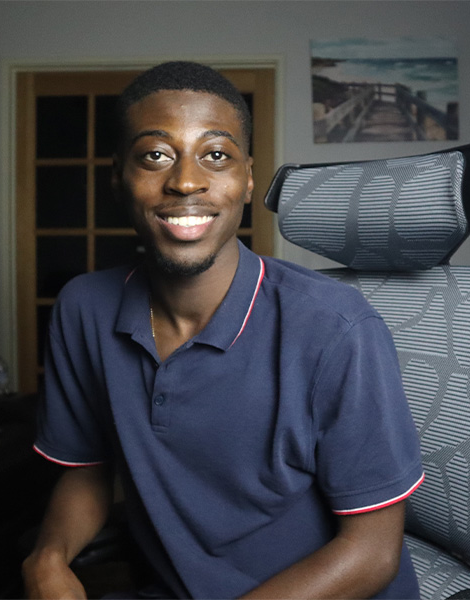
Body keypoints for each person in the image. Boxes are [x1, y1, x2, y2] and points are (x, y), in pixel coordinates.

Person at [22, 61, 425, 600]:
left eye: (216, 155)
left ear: (248, 178)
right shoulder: (84, 309)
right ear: (118, 176)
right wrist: (47, 559)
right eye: (156, 155)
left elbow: (372, 552)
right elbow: (90, 469)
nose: (186, 181)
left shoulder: (338, 328)